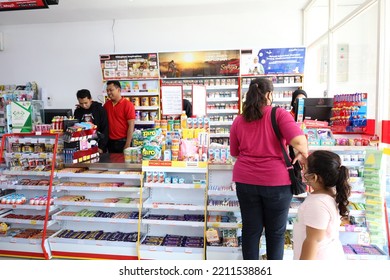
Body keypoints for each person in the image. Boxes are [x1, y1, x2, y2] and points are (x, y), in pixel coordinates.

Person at [229, 77, 308, 260]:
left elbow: (234, 152)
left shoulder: (239, 120)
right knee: (275, 233)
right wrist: (300, 151)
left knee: (250, 230)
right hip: (277, 182)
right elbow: (300, 141)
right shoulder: (279, 114)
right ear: (269, 94)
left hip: (245, 181)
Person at [293, 150, 351, 260]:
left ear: (314, 177)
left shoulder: (317, 204)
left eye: (305, 167)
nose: (302, 170)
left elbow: (312, 241)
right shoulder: (328, 196)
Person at [103, 80, 135, 153]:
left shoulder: (128, 105)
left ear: (119, 90)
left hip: (123, 141)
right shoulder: (106, 105)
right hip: (110, 142)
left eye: (111, 90)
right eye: (107, 90)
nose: (108, 93)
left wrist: (128, 144)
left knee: (124, 164)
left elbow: (131, 125)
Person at [74, 89, 108, 153]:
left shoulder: (100, 109)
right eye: (81, 103)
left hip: (98, 145)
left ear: (90, 99)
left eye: (86, 103)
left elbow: (105, 129)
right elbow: (76, 129)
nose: (84, 106)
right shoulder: (78, 111)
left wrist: (101, 147)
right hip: (82, 146)